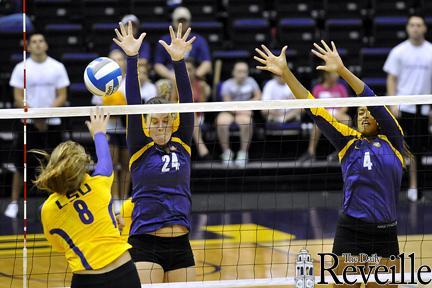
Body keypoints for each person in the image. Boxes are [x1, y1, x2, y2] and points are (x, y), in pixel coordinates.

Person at [255, 40, 408, 287]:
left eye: (367, 111)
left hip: (384, 235)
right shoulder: (348, 142)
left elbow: (373, 102)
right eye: (359, 112)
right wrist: (286, 73)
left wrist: (342, 71)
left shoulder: (394, 140)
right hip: (351, 232)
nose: (363, 114)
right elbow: (313, 107)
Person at [113, 22, 196, 283]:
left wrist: (178, 61)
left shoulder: (182, 142)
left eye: (165, 120)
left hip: (181, 243)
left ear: (173, 120)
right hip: (146, 242)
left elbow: (187, 101)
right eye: (154, 121)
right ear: (145, 124)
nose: (160, 125)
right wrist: (131, 58)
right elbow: (134, 101)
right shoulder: (140, 145)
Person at [38, 109, 141, 288]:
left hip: (87, 279)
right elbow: (105, 160)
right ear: (82, 164)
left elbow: (60, 245)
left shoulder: (49, 209)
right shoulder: (98, 184)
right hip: (124, 272)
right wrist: (99, 133)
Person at [5, 33, 70, 218]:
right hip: (28, 123)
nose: (38, 44)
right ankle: (14, 203)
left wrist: (45, 115)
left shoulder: (57, 67)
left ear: (46, 45)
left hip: (52, 123)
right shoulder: (21, 68)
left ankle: (54, 201)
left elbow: (62, 96)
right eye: (34, 41)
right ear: (28, 47)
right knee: (20, 165)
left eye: (41, 41)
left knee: (55, 164)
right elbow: (17, 97)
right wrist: (35, 116)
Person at [383, 14, 432, 202]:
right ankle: (401, 187)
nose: (416, 28)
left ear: (425, 28)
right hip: (404, 109)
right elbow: (392, 79)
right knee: (402, 149)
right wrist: (393, 103)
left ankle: (416, 187)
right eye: (412, 25)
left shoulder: (430, 51)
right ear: (407, 28)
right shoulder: (399, 51)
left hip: (424, 109)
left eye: (419, 25)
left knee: (419, 151)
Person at [92, 50, 130, 214]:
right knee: (112, 165)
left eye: (120, 59)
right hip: (110, 128)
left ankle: (124, 199)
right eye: (114, 60)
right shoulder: (101, 82)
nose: (118, 62)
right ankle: (114, 199)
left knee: (128, 166)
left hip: (127, 129)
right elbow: (96, 107)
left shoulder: (130, 82)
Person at [299, 70, 351, 162]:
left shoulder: (341, 88)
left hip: (337, 115)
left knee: (347, 119)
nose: (337, 76)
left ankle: (341, 151)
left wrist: (335, 113)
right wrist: (326, 114)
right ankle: (311, 152)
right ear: (326, 75)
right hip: (323, 115)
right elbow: (314, 107)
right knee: (317, 123)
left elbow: (345, 107)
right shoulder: (317, 88)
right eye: (334, 73)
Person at [216, 62, 261, 167]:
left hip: (244, 112)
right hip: (230, 111)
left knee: (246, 122)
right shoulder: (227, 84)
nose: (242, 74)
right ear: (233, 73)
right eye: (239, 72)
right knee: (221, 121)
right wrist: (242, 110)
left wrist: (248, 106)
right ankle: (227, 153)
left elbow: (258, 96)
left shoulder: (251, 82)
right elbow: (227, 102)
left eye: (245, 72)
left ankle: (243, 153)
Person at [154, 7, 211, 80]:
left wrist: (196, 75)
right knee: (162, 87)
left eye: (184, 21)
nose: (181, 24)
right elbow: (158, 65)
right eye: (179, 21)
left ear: (189, 22)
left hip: (194, 77)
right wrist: (171, 76)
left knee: (205, 88)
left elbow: (206, 63)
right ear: (173, 22)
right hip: (171, 77)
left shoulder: (198, 40)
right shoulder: (165, 40)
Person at [186, 58, 211, 160]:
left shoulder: (201, 85)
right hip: (180, 116)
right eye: (185, 69)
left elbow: (201, 107)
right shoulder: (176, 83)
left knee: (191, 114)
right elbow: (172, 102)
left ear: (194, 70)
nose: (187, 72)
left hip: (198, 116)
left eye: (190, 69)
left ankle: (200, 147)